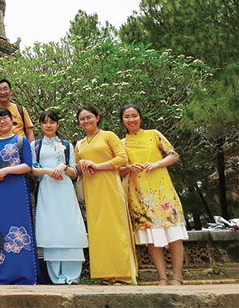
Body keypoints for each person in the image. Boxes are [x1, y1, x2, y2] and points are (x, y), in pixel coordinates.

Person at [119, 105, 187, 286]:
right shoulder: (122, 143)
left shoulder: (154, 134)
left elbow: (173, 155)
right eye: (127, 117)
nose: (131, 120)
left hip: (163, 191)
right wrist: (129, 167)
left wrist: (156, 164)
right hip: (139, 194)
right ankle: (162, 278)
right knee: (152, 237)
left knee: (174, 234)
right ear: (123, 121)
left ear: (140, 118)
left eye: (134, 116)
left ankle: (177, 277)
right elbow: (119, 169)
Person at [75, 105, 137, 284]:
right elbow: (77, 166)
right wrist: (83, 164)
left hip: (110, 185)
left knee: (116, 228)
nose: (86, 121)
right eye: (82, 119)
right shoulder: (79, 144)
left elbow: (122, 159)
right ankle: (106, 274)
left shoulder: (109, 136)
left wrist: (97, 165)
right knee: (97, 231)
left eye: (89, 117)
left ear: (97, 117)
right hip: (91, 188)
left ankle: (124, 274)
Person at [30, 111, 87, 285]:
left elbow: (74, 172)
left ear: (58, 124)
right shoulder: (35, 145)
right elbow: (32, 170)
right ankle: (56, 276)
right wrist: (48, 171)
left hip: (65, 189)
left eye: (52, 122)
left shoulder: (67, 145)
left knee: (70, 225)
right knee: (51, 227)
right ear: (40, 125)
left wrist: (63, 166)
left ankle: (73, 275)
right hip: (47, 189)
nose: (49, 125)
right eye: (45, 122)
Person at [0, 108, 41, 285]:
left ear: (12, 121)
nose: (2, 122)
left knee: (20, 228)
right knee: (0, 230)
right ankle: (2, 274)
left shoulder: (21, 140)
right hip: (1, 191)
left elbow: (28, 166)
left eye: (5, 119)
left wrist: (6, 170)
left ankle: (24, 274)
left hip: (18, 190)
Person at [0, 79, 34, 148]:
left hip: (20, 148)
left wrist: (31, 150)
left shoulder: (20, 110)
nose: (3, 92)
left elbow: (29, 132)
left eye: (5, 89)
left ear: (10, 91)